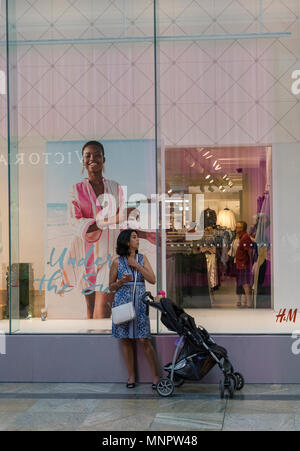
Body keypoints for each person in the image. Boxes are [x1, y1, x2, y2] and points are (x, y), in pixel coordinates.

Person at [60, 140, 155, 319]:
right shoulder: (75, 189)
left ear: (104, 159)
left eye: (97, 155)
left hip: (109, 253)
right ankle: (92, 345)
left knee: (102, 312)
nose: (92, 158)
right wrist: (110, 220)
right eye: (88, 155)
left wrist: (143, 235)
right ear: (83, 161)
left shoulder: (115, 187)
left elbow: (123, 222)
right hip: (85, 254)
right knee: (90, 307)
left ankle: (101, 341)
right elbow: (74, 222)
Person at [109, 229, 160, 389]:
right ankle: (131, 376)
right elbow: (110, 287)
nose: (138, 240)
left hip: (139, 304)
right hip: (122, 303)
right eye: (134, 237)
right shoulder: (117, 262)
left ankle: (157, 375)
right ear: (126, 242)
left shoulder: (142, 258)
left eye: (137, 237)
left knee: (144, 339)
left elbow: (152, 279)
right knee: (125, 339)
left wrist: (137, 266)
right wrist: (121, 282)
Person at [235, 221, 253, 308]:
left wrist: (250, 262)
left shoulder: (245, 237)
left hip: (243, 263)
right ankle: (247, 301)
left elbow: (249, 250)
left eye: (238, 227)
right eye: (236, 227)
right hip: (240, 263)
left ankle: (249, 302)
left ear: (243, 228)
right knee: (242, 282)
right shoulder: (242, 237)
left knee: (245, 283)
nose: (236, 229)